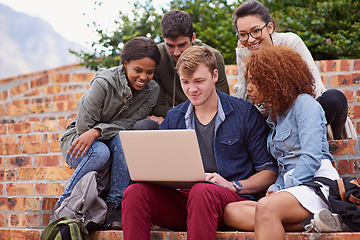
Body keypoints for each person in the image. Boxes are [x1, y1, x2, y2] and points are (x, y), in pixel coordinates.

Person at [121, 46, 278, 240]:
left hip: (230, 202)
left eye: (199, 81)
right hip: (186, 203)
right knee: (135, 193)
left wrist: (233, 185)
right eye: (185, 82)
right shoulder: (174, 117)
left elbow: (269, 172)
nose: (192, 89)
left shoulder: (245, 114)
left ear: (214, 75)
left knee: (201, 190)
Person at [223, 46, 346, 239]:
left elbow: (311, 158)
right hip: (291, 189)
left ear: (275, 79)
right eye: (250, 81)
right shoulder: (275, 117)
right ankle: (315, 223)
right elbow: (282, 168)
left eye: (256, 81)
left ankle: (317, 217)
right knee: (230, 211)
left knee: (265, 207)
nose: (249, 88)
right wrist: (276, 188)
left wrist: (284, 188)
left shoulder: (305, 104)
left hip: (315, 185)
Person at [53, 37, 161, 229]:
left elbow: (130, 124)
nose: (144, 77)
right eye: (138, 70)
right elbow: (84, 127)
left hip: (110, 141)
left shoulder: (152, 90)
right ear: (125, 63)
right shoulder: (104, 83)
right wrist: (93, 132)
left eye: (150, 72)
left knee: (124, 140)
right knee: (102, 152)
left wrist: (97, 131)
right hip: (79, 142)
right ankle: (63, 206)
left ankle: (113, 207)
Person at [232, 0, 356, 140]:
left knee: (334, 98)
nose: (250, 39)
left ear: (270, 27)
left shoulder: (290, 42)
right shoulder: (244, 52)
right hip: (271, 120)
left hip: (302, 113)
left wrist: (287, 112)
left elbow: (313, 88)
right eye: (243, 34)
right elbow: (244, 99)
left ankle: (333, 144)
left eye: (256, 31)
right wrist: (240, 55)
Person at [133, 9, 230, 130]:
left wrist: (176, 117)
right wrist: (173, 118)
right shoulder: (157, 57)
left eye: (182, 45)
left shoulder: (213, 57)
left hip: (206, 118)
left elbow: (222, 101)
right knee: (143, 126)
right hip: (170, 119)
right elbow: (157, 106)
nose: (176, 52)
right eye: (170, 46)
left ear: (193, 38)